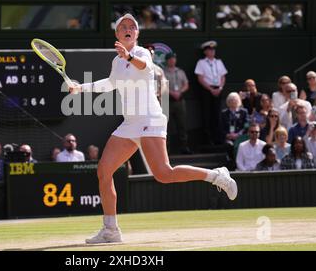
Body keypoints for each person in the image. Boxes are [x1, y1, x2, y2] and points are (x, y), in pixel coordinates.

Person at [69, 14, 237, 244]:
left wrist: (128, 55)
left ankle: (217, 176)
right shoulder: (116, 61)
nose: (127, 29)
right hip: (130, 124)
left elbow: (143, 65)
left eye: (132, 27)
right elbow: (109, 83)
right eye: (123, 27)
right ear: (117, 34)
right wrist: (80, 88)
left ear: (137, 34)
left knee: (164, 174)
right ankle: (110, 230)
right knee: (104, 171)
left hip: (150, 119)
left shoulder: (142, 53)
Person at [194, 40, 227, 145]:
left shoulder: (219, 62)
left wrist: (220, 87)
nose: (212, 51)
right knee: (206, 114)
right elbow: (200, 78)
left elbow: (223, 76)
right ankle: (208, 140)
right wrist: (210, 89)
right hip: (207, 90)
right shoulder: (201, 63)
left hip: (218, 89)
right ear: (205, 52)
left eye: (213, 49)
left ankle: (218, 139)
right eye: (210, 50)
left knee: (217, 114)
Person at [163, 51, 191, 154]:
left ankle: (184, 147)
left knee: (182, 124)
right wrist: (171, 93)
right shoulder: (163, 71)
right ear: (167, 61)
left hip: (180, 100)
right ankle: (167, 149)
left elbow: (186, 84)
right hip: (167, 101)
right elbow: (162, 85)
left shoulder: (180, 71)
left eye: (174, 58)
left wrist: (180, 92)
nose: (172, 60)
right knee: (167, 126)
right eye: (170, 59)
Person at [221, 92, 249, 170]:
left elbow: (246, 126)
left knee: (240, 145)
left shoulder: (244, 112)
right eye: (231, 100)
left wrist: (239, 134)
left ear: (238, 101)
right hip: (229, 137)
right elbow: (221, 127)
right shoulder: (224, 113)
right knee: (229, 144)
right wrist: (227, 134)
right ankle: (232, 163)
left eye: (235, 100)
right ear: (228, 102)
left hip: (240, 137)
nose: (233, 101)